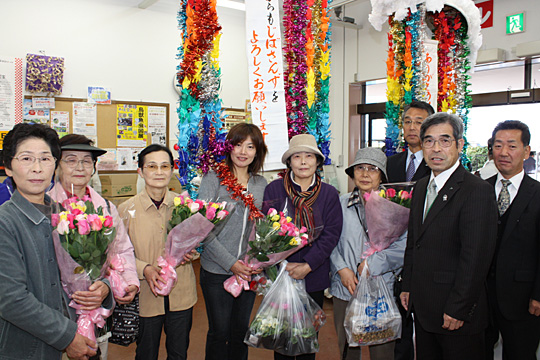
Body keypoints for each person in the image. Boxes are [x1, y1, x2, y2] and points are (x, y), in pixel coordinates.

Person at [399, 113, 498, 360]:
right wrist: (408, 285)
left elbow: (476, 258)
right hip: (423, 305)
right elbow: (415, 242)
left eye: (444, 140)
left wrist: (458, 308)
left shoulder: (477, 191)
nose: (436, 149)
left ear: (459, 144)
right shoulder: (421, 186)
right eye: (429, 141)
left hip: (455, 312)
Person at [0, 123, 98, 360]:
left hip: (80, 333)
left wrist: (102, 287)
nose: (37, 168)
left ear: (55, 165)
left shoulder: (69, 214)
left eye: (45, 159)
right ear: (9, 168)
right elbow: (11, 299)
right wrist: (66, 336)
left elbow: (91, 265)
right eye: (26, 158)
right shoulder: (5, 221)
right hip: (29, 347)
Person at [262, 133, 343, 360]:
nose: (304, 162)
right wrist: (282, 262)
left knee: (308, 337)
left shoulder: (328, 194)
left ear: (317, 162)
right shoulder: (275, 190)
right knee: (282, 336)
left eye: (309, 156)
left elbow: (331, 234)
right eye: (297, 156)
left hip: (313, 274)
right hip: (282, 273)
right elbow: (266, 229)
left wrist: (308, 264)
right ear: (289, 162)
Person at [118, 144, 195, 360]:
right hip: (146, 296)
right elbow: (117, 256)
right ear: (140, 171)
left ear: (172, 170)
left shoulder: (186, 205)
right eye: (152, 166)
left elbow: (197, 243)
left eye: (165, 166)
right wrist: (145, 269)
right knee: (145, 353)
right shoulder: (126, 210)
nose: (159, 172)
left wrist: (192, 252)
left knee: (179, 353)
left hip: (181, 293)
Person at [198, 123, 268, 360]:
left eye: (250, 146)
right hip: (217, 270)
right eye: (238, 144)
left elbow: (264, 228)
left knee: (240, 332)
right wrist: (231, 263)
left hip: (248, 271)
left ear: (257, 152)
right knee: (219, 332)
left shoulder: (261, 184)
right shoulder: (214, 178)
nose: (243, 151)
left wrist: (254, 263)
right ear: (229, 147)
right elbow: (203, 229)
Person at [330, 147, 406, 360]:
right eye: (360, 168)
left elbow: (404, 245)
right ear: (352, 173)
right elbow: (330, 240)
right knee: (348, 348)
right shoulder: (340, 203)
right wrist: (342, 269)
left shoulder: (395, 205)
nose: (365, 174)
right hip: (346, 287)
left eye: (372, 169)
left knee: (382, 348)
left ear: (381, 175)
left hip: (381, 287)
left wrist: (374, 264)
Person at [48, 134, 139, 306]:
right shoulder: (47, 207)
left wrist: (128, 282)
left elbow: (122, 250)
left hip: (100, 297)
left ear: (94, 167)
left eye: (87, 161)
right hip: (58, 305)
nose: (80, 167)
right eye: (71, 160)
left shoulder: (106, 207)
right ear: (57, 165)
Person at [484, 120, 540, 360]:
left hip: (523, 298)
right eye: (498, 146)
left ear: (526, 151)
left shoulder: (537, 194)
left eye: (511, 146)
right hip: (481, 297)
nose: (504, 152)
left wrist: (539, 294)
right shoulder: (479, 191)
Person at [386, 100, 434, 183]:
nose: (411, 127)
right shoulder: (391, 162)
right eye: (408, 122)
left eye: (418, 122)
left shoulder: (436, 162)